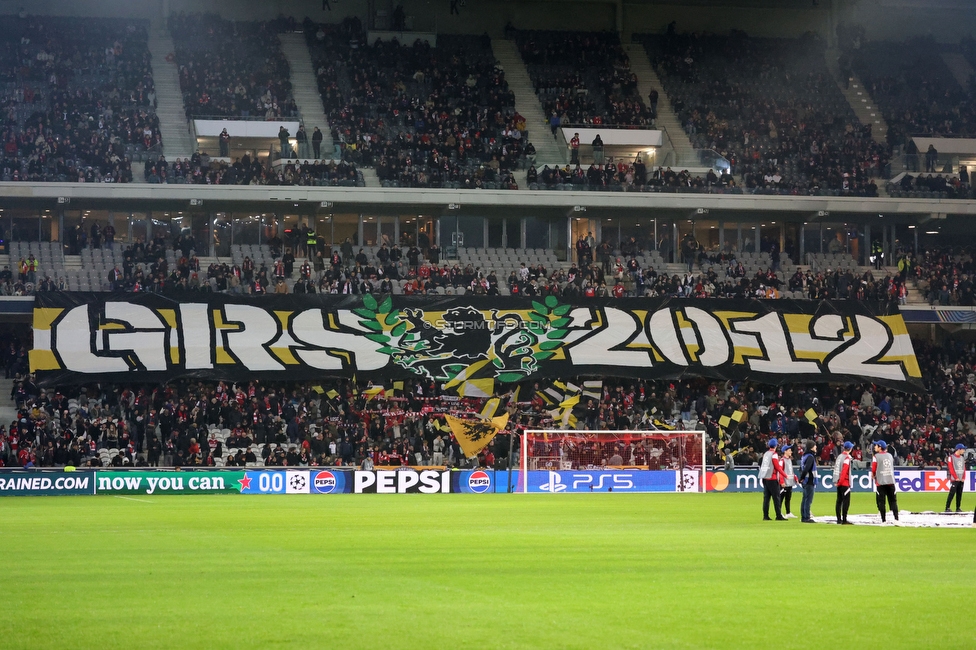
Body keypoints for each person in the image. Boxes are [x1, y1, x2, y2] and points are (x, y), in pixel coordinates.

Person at [871, 440, 899, 525]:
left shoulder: (876, 456)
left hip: (881, 482)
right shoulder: (890, 455)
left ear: (880, 447)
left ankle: (883, 520)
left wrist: (873, 475)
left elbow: (873, 469)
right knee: (893, 501)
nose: (874, 447)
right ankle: (896, 519)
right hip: (890, 481)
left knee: (881, 502)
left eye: (876, 445)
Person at [759, 438, 786, 521]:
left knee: (766, 498)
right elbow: (777, 467)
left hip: (765, 477)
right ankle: (778, 516)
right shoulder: (774, 454)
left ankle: (765, 516)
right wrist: (785, 475)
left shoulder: (766, 454)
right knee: (776, 498)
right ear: (776, 445)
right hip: (772, 478)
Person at [834, 441, 854, 525]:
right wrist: (841, 482)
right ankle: (844, 519)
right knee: (846, 502)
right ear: (850, 449)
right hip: (844, 482)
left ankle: (839, 519)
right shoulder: (846, 458)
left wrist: (836, 481)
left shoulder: (839, 456)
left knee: (839, 501)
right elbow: (844, 471)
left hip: (838, 481)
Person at [798, 440, 817, 523]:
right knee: (808, 500)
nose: (816, 447)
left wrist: (801, 478)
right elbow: (807, 468)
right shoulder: (810, 457)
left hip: (805, 481)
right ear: (812, 447)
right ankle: (806, 517)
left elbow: (801, 468)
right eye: (815, 446)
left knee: (804, 499)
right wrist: (802, 477)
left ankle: (803, 516)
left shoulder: (804, 456)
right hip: (809, 481)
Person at [945, 443, 966, 513]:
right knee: (952, 493)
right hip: (955, 479)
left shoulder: (962, 458)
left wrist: (963, 477)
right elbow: (951, 468)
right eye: (963, 449)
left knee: (959, 493)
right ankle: (947, 507)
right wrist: (956, 477)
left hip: (960, 478)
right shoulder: (951, 457)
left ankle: (958, 507)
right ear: (959, 449)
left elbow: (964, 468)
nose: (964, 451)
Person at [780, 444, 797, 518]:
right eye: (789, 450)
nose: (791, 452)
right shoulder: (782, 461)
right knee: (781, 499)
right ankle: (779, 512)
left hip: (790, 482)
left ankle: (788, 512)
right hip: (784, 483)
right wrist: (782, 482)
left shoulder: (789, 460)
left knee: (788, 498)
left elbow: (791, 471)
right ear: (785, 451)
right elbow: (780, 471)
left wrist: (795, 478)